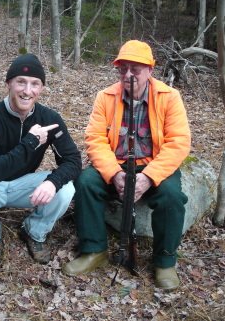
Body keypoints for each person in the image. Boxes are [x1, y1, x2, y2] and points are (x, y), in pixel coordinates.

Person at [62, 40, 191, 290]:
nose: (128, 75)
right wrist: (114, 175)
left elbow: (178, 142)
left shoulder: (169, 97)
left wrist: (149, 178)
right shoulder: (105, 97)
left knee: (172, 196)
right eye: (123, 69)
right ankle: (94, 250)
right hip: (118, 163)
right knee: (86, 182)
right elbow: (95, 139)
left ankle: (164, 261)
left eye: (136, 69)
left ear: (150, 71)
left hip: (154, 164)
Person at [0, 53, 82, 264]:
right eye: (21, 82)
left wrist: (53, 182)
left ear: (41, 88)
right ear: (9, 83)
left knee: (65, 188)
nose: (27, 90)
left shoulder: (50, 119)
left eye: (35, 84)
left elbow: (73, 161)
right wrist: (32, 141)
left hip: (24, 186)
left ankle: (34, 231)